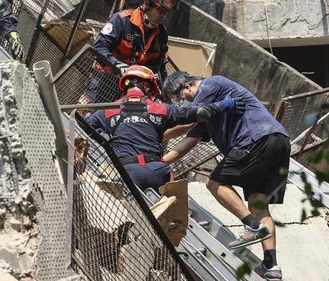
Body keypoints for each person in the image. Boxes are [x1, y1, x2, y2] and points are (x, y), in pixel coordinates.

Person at [162, 71, 290, 281]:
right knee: (258, 204)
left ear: (186, 87)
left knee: (214, 183)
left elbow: (186, 122)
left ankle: (251, 226)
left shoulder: (211, 85)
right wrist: (160, 162)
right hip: (279, 142)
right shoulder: (206, 114)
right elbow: (187, 143)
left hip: (254, 139)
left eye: (177, 97)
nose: (180, 103)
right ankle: (271, 264)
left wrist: (155, 130)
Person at [86, 65, 243, 192]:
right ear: (147, 86)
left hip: (128, 173)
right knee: (172, 225)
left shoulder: (106, 111)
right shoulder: (159, 108)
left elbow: (81, 127)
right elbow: (199, 113)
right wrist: (226, 104)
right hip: (159, 172)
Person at [80, 0, 178, 105]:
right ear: (148, 3)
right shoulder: (122, 20)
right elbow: (98, 48)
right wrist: (118, 65)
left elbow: (158, 67)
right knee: (82, 113)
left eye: (166, 13)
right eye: (160, 11)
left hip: (135, 89)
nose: (163, 16)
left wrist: (163, 93)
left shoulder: (161, 34)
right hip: (104, 81)